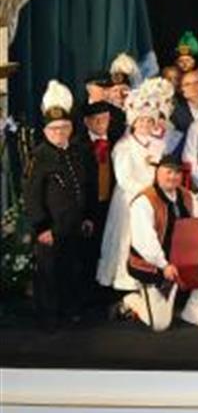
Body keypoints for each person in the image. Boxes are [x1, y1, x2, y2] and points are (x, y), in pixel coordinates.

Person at [124, 156, 198, 330]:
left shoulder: (188, 196)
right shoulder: (144, 201)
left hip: (181, 263)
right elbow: (145, 242)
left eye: (177, 173)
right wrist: (164, 265)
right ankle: (132, 300)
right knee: (159, 325)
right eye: (168, 172)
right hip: (153, 267)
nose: (173, 176)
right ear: (157, 173)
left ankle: (192, 309)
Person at [25, 81, 90, 329]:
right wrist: (41, 227)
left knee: (72, 270)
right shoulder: (39, 156)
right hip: (51, 229)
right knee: (48, 274)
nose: (59, 133)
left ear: (71, 128)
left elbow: (84, 187)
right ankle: (49, 317)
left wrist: (87, 217)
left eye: (64, 128)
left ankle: (70, 311)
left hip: (74, 225)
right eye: (54, 129)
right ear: (45, 131)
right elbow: (31, 196)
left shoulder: (77, 151)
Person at [96, 82, 170, 291]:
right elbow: (124, 178)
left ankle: (150, 274)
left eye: (149, 120)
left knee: (151, 235)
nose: (145, 124)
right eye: (141, 120)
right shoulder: (124, 146)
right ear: (133, 122)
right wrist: (148, 192)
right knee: (127, 236)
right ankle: (124, 278)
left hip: (154, 198)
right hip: (131, 199)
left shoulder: (159, 145)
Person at [74, 100, 115, 288]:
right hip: (89, 206)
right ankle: (88, 290)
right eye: (95, 119)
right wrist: (84, 213)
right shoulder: (77, 146)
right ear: (86, 122)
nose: (100, 123)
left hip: (111, 204)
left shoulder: (117, 141)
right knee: (89, 251)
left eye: (104, 119)